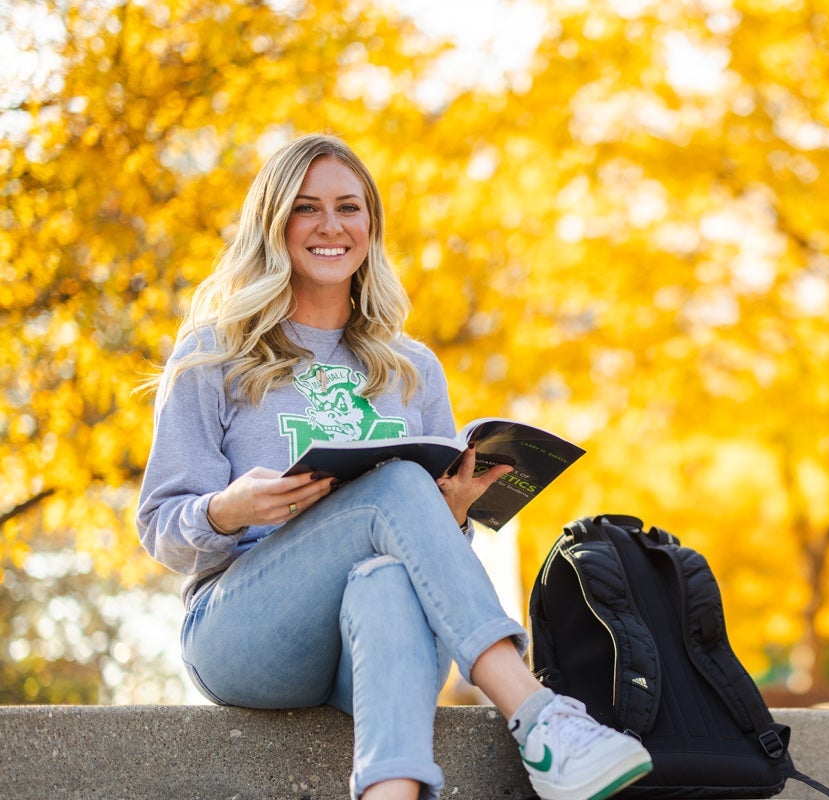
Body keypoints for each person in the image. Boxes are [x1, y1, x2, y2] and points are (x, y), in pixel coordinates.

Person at [136, 134, 652, 800]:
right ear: (273, 224)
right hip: (245, 633)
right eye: (306, 208)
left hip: (383, 640)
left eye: (348, 207)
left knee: (384, 574)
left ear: (370, 226)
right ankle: (538, 715)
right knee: (396, 486)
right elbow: (158, 525)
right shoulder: (213, 355)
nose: (330, 226)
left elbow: (426, 544)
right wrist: (226, 509)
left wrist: (457, 512)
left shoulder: (411, 368)